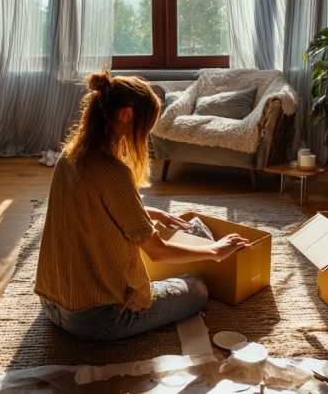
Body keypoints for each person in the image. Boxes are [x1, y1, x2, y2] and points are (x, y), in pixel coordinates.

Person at [35, 68, 249, 342]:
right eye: (147, 128)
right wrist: (215, 250)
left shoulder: (70, 156)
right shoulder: (112, 172)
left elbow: (89, 210)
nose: (145, 136)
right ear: (127, 115)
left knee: (164, 276)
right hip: (96, 318)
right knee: (196, 288)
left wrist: (150, 212)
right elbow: (157, 252)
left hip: (52, 303)